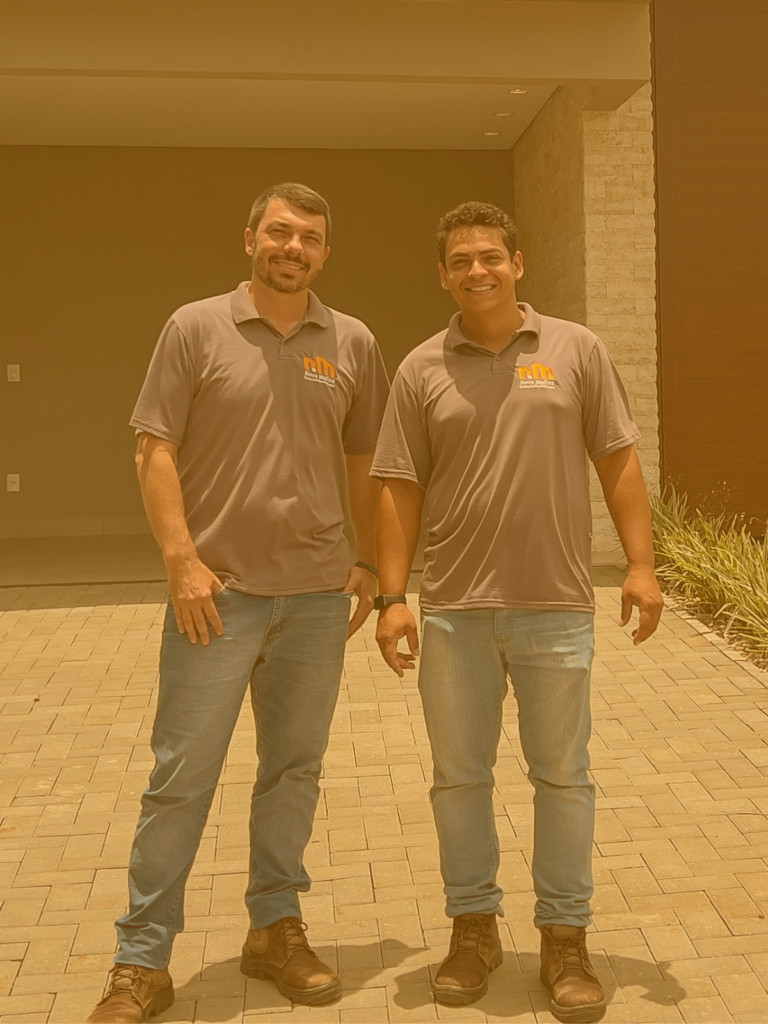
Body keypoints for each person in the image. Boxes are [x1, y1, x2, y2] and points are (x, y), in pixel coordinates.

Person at [87, 182, 389, 1024]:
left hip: (317, 598)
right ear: (249, 238)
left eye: (310, 238)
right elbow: (153, 449)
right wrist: (181, 563)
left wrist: (370, 563)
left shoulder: (353, 341)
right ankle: (142, 960)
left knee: (293, 770)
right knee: (182, 777)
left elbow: (366, 458)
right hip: (215, 599)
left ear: (325, 253)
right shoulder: (194, 327)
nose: (294, 248)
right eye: (280, 232)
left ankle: (274, 928)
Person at [371, 201, 663, 1023]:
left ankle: (565, 937)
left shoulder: (576, 350)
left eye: (490, 256)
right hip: (455, 610)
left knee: (563, 777)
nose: (478, 271)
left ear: (517, 264)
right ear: (443, 274)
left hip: (556, 605)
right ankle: (474, 928)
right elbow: (398, 487)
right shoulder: (421, 368)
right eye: (461, 260)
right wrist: (393, 599)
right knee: (458, 779)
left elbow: (617, 459)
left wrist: (641, 566)